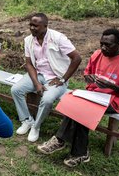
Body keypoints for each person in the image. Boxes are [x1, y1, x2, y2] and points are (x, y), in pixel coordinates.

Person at [37, 28, 119, 167]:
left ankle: (63, 142)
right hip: (92, 95)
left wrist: (112, 86)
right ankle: (77, 151)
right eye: (101, 43)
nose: (103, 47)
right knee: (72, 100)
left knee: (82, 110)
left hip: (113, 100)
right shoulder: (97, 54)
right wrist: (89, 78)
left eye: (108, 45)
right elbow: (87, 76)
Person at [11, 13, 82, 142]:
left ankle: (36, 127)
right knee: (16, 90)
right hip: (38, 74)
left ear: (45, 26)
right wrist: (37, 83)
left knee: (48, 99)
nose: (32, 28)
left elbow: (77, 58)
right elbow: (29, 63)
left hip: (56, 78)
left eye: (35, 26)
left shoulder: (58, 38)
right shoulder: (28, 40)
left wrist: (63, 79)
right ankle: (27, 120)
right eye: (30, 25)